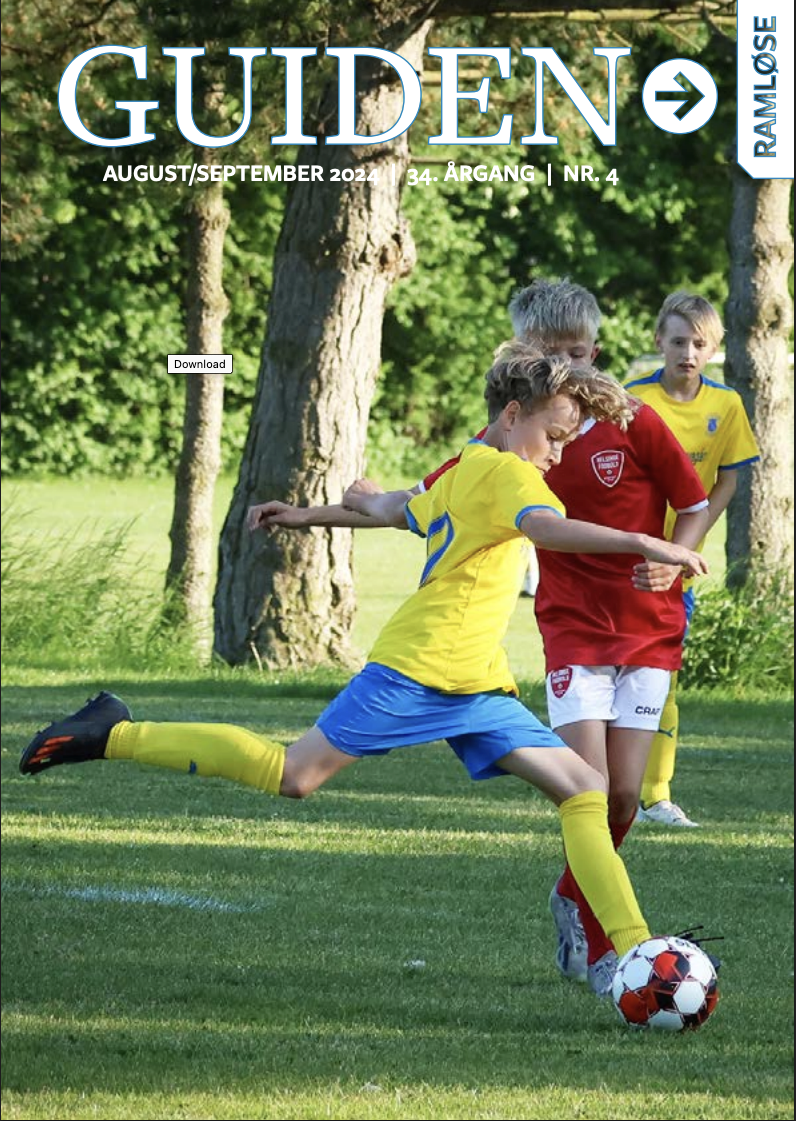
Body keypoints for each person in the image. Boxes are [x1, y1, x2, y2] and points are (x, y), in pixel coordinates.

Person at [19, 345, 709, 1000]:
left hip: (475, 683)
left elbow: (390, 508)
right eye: (552, 436)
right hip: (417, 667)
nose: (557, 453)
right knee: (293, 774)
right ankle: (113, 733)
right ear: (511, 414)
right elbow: (546, 529)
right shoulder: (511, 475)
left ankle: (636, 949)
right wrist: (649, 542)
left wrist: (307, 515)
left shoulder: (467, 467)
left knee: (586, 791)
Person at [419, 280, 711, 996]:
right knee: (588, 789)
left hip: (648, 631)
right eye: (550, 356)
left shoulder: (632, 419)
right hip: (573, 629)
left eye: (577, 354)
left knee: (624, 797)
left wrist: (672, 562)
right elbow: (427, 496)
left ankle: (570, 896)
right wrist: (334, 510)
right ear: (523, 361)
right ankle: (611, 949)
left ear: (595, 353)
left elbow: (695, 501)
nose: (567, 370)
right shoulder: (512, 439)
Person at [626, 291, 760, 828]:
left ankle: (656, 796)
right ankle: (602, 788)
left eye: (699, 344)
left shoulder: (727, 406)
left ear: (713, 348)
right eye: (678, 341)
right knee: (608, 672)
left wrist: (682, 552)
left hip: (677, 569)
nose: (688, 353)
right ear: (659, 340)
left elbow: (727, 480)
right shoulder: (631, 399)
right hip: (625, 558)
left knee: (662, 679)